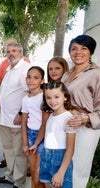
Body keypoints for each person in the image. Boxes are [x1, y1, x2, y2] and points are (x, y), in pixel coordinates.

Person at [61, 34, 100, 187]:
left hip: (85, 129)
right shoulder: (66, 74)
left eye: (84, 48)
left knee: (77, 171)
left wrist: (84, 118)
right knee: (62, 168)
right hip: (65, 125)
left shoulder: (96, 74)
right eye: (74, 48)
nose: (78, 52)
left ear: (91, 52)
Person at [0, 42, 31, 188]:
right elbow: (5, 92)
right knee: (8, 150)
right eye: (8, 51)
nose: (11, 53)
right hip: (5, 118)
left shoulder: (25, 69)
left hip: (17, 120)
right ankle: (10, 175)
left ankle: (19, 182)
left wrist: (21, 113)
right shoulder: (9, 69)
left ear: (21, 53)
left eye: (14, 50)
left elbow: (30, 93)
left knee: (19, 153)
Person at [40, 81, 76, 187]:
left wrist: (61, 173)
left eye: (56, 97)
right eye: (48, 98)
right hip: (46, 158)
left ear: (65, 97)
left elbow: (70, 149)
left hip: (60, 162)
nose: (52, 101)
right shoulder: (51, 116)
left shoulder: (69, 118)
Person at [21, 66, 48, 188]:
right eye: (29, 77)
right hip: (30, 136)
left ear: (42, 81)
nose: (31, 80)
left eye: (36, 78)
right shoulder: (25, 99)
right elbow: (23, 122)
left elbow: (44, 123)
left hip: (42, 137)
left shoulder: (45, 97)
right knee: (33, 173)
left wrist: (36, 143)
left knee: (39, 176)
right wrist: (25, 143)